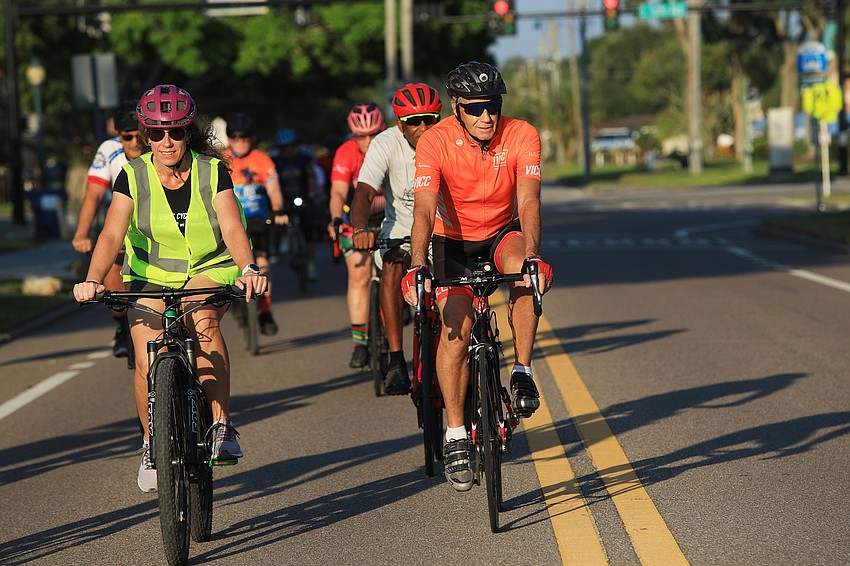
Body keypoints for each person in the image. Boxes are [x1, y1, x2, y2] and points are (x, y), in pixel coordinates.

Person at [73, 84, 268, 493]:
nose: (167, 142)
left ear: (188, 131)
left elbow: (231, 225)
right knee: (146, 352)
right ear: (145, 134)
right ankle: (149, 442)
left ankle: (220, 425)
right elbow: (111, 234)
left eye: (176, 132)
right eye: (157, 133)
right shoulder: (132, 173)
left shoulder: (213, 170)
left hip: (208, 267)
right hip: (152, 274)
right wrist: (93, 278)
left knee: (202, 320)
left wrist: (249, 267)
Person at [401, 62, 554, 492]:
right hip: (452, 241)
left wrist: (535, 255)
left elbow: (529, 200)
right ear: (456, 108)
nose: (487, 116)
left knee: (525, 271)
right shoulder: (434, 141)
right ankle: (454, 434)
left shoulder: (522, 134)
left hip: (502, 232)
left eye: (494, 106)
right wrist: (416, 265)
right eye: (476, 108)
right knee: (455, 331)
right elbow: (425, 209)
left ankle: (522, 367)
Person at [351, 83, 442, 395]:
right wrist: (360, 229)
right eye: (414, 121)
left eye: (430, 119)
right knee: (390, 266)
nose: (423, 127)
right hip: (401, 234)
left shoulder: (452, 140)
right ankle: (395, 360)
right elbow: (363, 192)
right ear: (400, 124)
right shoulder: (385, 143)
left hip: (444, 233)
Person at [72, 99, 143, 357]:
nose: (136, 142)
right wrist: (81, 234)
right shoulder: (108, 150)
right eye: (128, 136)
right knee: (116, 296)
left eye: (140, 135)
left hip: (156, 228)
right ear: (118, 135)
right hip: (123, 226)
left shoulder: (159, 148)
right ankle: (121, 326)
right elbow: (92, 196)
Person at [328, 101, 386, 370]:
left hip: (390, 218)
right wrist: (336, 219)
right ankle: (359, 343)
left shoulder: (392, 146)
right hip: (357, 220)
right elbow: (338, 192)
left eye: (374, 134)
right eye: (361, 136)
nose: (368, 140)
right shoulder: (345, 152)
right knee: (359, 275)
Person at [226, 112, 286, 335]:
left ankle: (265, 309)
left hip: (258, 222)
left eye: (245, 137)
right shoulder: (220, 159)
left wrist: (279, 209)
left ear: (252, 138)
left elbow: (273, 188)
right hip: (230, 224)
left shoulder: (262, 160)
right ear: (229, 138)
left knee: (263, 265)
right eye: (235, 137)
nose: (240, 141)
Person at [272, 127, 321, 281]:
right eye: (284, 148)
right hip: (285, 199)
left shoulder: (303, 158)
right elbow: (273, 182)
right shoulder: (275, 162)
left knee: (309, 233)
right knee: (279, 219)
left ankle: (312, 265)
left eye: (291, 147)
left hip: (303, 197)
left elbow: (311, 177)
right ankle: (284, 238)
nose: (288, 150)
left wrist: (313, 193)